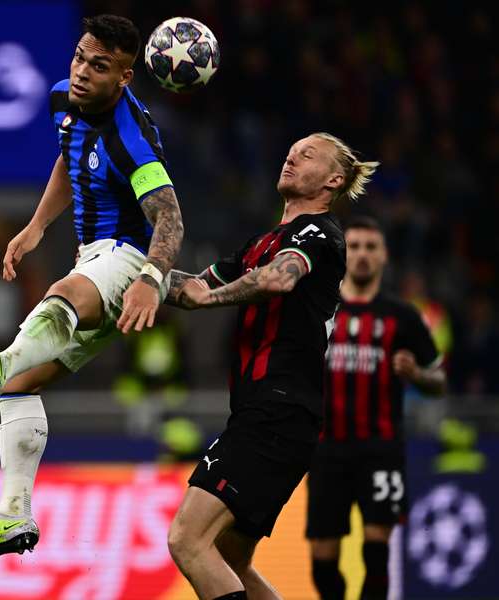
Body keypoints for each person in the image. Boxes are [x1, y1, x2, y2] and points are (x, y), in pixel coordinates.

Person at [0, 14, 184, 567]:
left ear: (124, 78)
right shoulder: (62, 100)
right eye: (79, 57)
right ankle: (14, 514)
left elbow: (170, 221)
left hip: (129, 257)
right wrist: (35, 227)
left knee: (61, 294)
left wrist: (151, 279)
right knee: (22, 389)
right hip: (91, 259)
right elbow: (67, 159)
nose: (80, 73)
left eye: (98, 67)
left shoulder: (132, 140)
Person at [163, 133, 378, 600]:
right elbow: (192, 287)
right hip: (267, 415)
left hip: (277, 413)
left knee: (187, 540)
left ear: (333, 179)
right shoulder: (261, 242)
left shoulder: (320, 234)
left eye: (308, 154)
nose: (292, 155)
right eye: (291, 149)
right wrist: (127, 273)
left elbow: (280, 279)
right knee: (231, 560)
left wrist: (212, 298)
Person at [306, 216, 445, 600]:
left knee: (378, 551)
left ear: (384, 256)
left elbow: (439, 382)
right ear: (341, 253)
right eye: (354, 247)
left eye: (371, 247)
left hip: (381, 449)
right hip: (326, 449)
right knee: (322, 560)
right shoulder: (319, 309)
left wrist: (416, 373)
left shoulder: (403, 316)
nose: (362, 255)